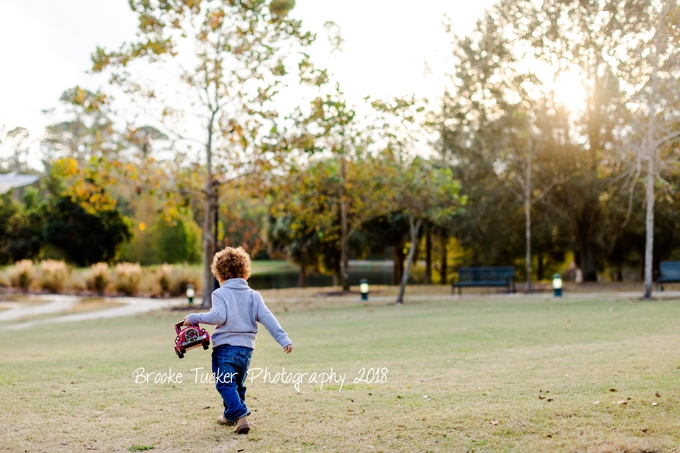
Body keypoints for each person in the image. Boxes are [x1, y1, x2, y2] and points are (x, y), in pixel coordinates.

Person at [183, 246, 293, 434]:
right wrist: (284, 339)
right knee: (237, 385)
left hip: (225, 349)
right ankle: (229, 415)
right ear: (246, 273)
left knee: (225, 384)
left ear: (220, 276)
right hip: (246, 351)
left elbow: (218, 317)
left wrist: (194, 318)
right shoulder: (254, 296)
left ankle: (241, 415)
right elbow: (268, 319)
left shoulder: (220, 293)